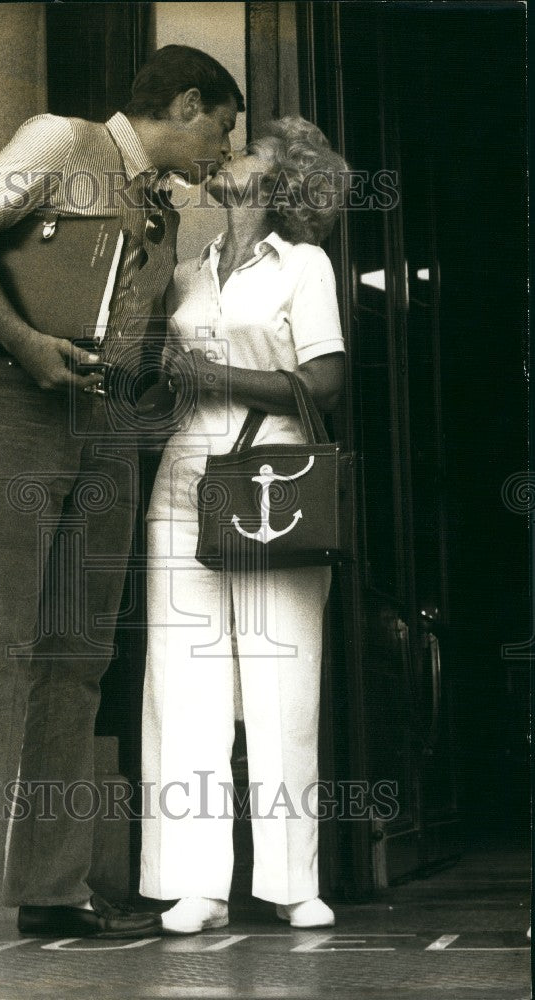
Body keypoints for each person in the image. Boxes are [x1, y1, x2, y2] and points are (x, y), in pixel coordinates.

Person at [0, 45, 244, 957]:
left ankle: (53, 888)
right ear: (186, 103)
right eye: (222, 126)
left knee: (77, 657)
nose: (222, 147)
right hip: (22, 406)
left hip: (106, 432)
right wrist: (24, 343)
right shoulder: (60, 142)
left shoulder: (163, 208)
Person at [139, 116, 348, 934]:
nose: (233, 153)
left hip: (277, 487)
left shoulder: (306, 266)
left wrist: (215, 371)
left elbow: (324, 381)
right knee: (183, 691)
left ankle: (293, 882)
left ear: (283, 179)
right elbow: (166, 379)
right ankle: (195, 883)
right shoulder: (190, 270)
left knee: (281, 683)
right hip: (184, 484)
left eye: (252, 149)